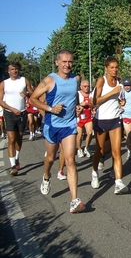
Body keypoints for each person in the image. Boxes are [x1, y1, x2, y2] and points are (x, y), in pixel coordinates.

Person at [30, 50, 85, 213]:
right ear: (57, 63)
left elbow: (74, 95)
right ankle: (46, 176)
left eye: (70, 62)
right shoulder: (49, 80)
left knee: (70, 160)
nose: (67, 65)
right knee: (50, 158)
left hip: (68, 125)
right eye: (64, 62)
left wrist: (77, 106)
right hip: (52, 125)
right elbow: (33, 98)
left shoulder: (76, 79)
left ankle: (74, 200)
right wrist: (50, 109)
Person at [91, 56, 129, 195]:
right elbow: (94, 101)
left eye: (116, 67)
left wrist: (121, 101)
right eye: (111, 67)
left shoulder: (119, 81)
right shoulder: (102, 80)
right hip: (101, 120)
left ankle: (118, 183)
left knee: (116, 151)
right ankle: (94, 172)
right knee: (100, 151)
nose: (114, 70)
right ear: (106, 68)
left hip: (115, 119)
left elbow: (120, 98)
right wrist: (112, 93)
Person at [0, 61, 34, 176]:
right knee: (11, 139)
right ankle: (12, 166)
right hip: (9, 113)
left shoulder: (24, 80)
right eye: (12, 69)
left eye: (16, 69)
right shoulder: (4, 83)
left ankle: (17, 158)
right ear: (8, 71)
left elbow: (33, 94)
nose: (15, 71)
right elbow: (0, 100)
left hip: (22, 113)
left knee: (19, 138)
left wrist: (27, 95)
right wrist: (11, 109)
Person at [76, 80, 93, 158]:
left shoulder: (91, 94)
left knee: (89, 133)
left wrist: (88, 104)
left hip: (88, 117)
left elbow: (94, 103)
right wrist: (79, 105)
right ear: (81, 87)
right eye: (85, 86)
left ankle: (86, 147)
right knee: (79, 135)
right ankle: (79, 149)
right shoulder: (77, 94)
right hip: (79, 117)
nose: (87, 88)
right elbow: (74, 104)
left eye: (88, 86)